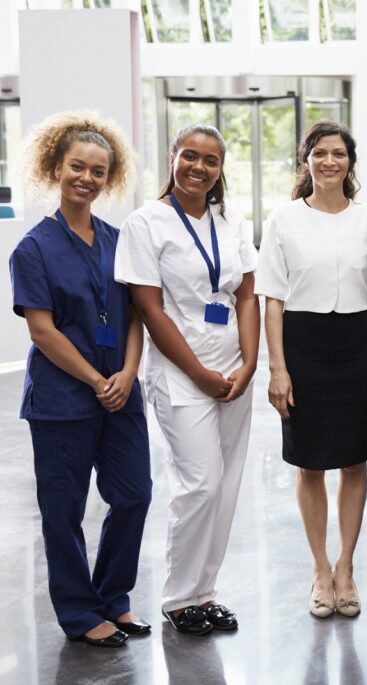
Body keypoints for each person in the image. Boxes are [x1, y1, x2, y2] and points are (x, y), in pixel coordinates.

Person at [10, 112, 151, 648]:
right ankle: (79, 612)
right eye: (76, 167)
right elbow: (43, 332)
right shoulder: (32, 249)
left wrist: (128, 374)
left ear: (109, 177)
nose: (86, 178)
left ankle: (114, 599)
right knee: (64, 511)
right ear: (55, 167)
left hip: (121, 392)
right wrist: (98, 379)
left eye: (98, 170)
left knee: (134, 494)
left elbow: (137, 315)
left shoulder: (121, 241)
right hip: (63, 399)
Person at [115, 124, 260, 636]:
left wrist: (249, 363)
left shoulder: (230, 221)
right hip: (181, 375)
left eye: (211, 160)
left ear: (221, 170)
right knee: (199, 483)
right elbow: (148, 309)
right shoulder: (146, 223)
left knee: (226, 485)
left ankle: (205, 592)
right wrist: (199, 373)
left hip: (233, 375)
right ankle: (178, 599)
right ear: (173, 157)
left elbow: (246, 295)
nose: (199, 167)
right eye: (190, 156)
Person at [256, 122, 367, 619]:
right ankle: (319, 569)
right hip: (303, 346)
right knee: (309, 461)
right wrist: (278, 369)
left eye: (338, 153)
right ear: (306, 161)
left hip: (358, 344)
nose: (329, 161)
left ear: (350, 162)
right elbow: (271, 299)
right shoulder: (284, 220)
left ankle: (347, 568)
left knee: (354, 461)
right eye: (319, 153)